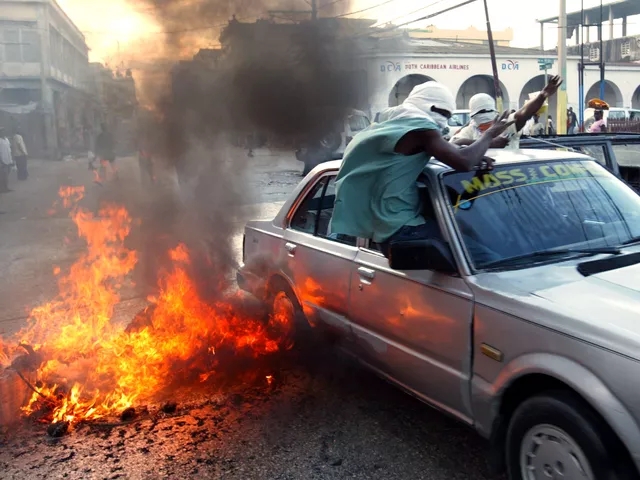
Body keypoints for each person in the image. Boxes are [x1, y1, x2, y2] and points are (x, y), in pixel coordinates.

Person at [329, 81, 513, 257]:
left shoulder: (395, 125)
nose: (444, 120)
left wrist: (474, 152)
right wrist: (489, 134)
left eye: (448, 116)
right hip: (400, 228)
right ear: (429, 106)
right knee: (481, 256)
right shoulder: (420, 129)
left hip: (385, 224)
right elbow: (464, 162)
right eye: (443, 113)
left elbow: (450, 149)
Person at [451, 75, 563, 149]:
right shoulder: (469, 131)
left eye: (488, 111)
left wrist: (542, 96)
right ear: (473, 116)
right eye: (481, 113)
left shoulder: (506, 124)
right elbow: (454, 145)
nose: (485, 116)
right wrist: (490, 143)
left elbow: (524, 113)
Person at [0, 128, 13, 193]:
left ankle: (6, 187)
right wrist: (1, 161)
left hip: (8, 159)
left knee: (7, 174)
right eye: (2, 132)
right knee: (3, 175)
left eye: (4, 131)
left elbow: (9, 149)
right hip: (3, 161)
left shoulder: (7, 140)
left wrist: (11, 159)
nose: (3, 133)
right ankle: (3, 188)